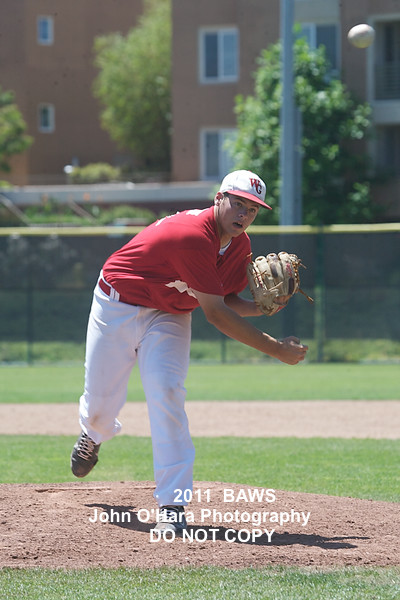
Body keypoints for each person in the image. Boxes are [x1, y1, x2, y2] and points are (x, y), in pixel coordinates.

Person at [70, 169, 308, 533]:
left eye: (252, 209)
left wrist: (262, 308)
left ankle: (172, 504)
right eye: (238, 203)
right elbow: (216, 314)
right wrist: (276, 349)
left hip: (169, 314)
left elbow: (225, 298)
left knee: (167, 392)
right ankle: (93, 433)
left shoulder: (239, 245)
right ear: (219, 199)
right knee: (102, 404)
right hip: (117, 303)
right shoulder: (192, 235)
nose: (244, 214)